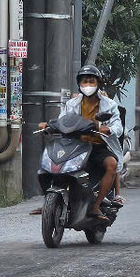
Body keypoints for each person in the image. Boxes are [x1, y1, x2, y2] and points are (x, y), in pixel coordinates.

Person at [42, 65, 124, 221]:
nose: (88, 85)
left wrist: (108, 129)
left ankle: (95, 207)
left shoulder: (109, 104)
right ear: (79, 83)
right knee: (51, 163)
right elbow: (62, 120)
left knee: (112, 164)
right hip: (74, 145)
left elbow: (118, 127)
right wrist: (49, 126)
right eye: (84, 82)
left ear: (98, 83)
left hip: (98, 147)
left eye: (91, 81)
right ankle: (49, 200)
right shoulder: (72, 103)